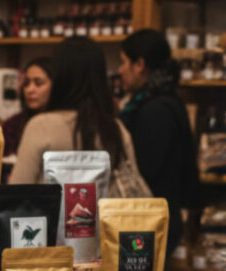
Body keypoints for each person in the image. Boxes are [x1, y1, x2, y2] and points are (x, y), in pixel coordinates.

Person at [10, 37, 140, 186]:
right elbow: (133, 187)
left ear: (59, 77)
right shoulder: (115, 128)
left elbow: (17, 191)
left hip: (52, 209)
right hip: (103, 209)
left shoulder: (42, 127)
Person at [118, 29, 198, 254]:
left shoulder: (154, 110)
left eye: (124, 62)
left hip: (152, 220)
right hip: (161, 216)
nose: (120, 70)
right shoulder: (165, 100)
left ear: (140, 64)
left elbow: (145, 170)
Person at [1, 58, 51, 157]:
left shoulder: (63, 124)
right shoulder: (13, 125)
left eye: (38, 83)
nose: (29, 90)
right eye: (26, 83)